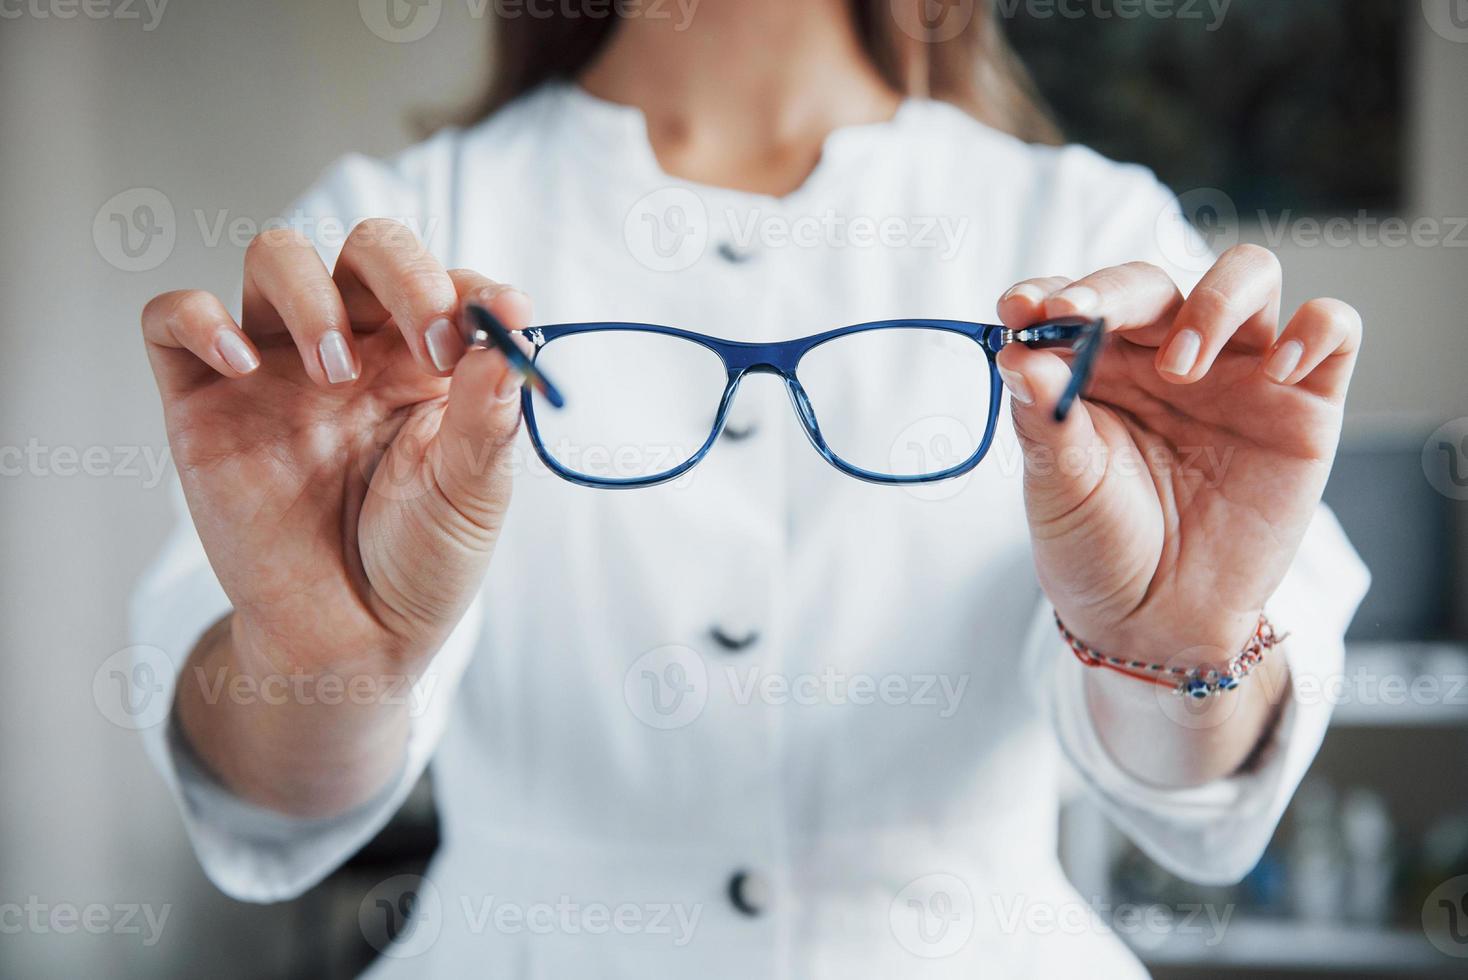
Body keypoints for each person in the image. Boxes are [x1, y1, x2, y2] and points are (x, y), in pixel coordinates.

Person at [131, 1, 1369, 975]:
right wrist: (323, 660)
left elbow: (1196, 788)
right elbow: (268, 793)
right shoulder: (388, 245)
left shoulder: (1097, 231)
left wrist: (1166, 641)